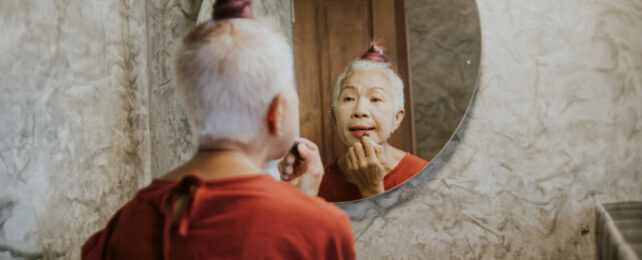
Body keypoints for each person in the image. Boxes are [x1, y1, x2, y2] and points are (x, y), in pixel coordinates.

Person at [81, 0, 355, 259]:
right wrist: (301, 208)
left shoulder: (127, 225)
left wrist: (298, 200)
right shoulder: (323, 230)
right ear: (276, 113)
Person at [318, 44, 430, 202]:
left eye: (375, 98)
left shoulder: (424, 176)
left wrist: (371, 189)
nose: (360, 110)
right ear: (335, 117)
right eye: (349, 98)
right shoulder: (319, 183)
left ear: (397, 118)